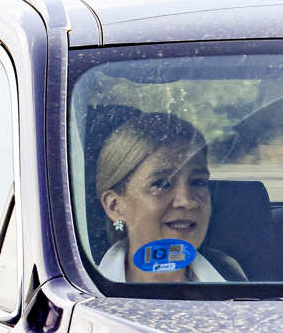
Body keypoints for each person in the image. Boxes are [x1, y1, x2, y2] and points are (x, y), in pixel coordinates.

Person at [96, 112, 246, 282]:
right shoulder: (82, 291)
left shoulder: (230, 274)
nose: (187, 201)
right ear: (115, 206)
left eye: (198, 182)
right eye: (160, 184)